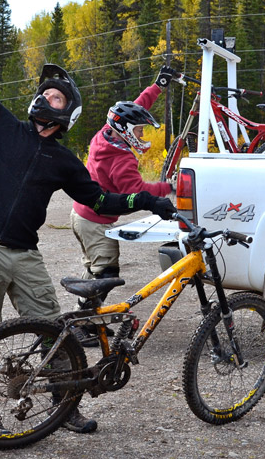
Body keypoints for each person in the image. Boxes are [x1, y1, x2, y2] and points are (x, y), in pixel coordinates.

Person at [0, 0, 175, 436]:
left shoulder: (64, 160)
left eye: (55, 94)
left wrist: (148, 201)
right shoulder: (1, 125)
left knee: (58, 335)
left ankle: (63, 408)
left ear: (66, 111)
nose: (45, 96)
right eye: (44, 92)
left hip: (24, 255)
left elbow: (103, 200)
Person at [69, 67, 177, 346]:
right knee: (106, 273)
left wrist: (158, 86)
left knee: (94, 269)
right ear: (126, 131)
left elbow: (135, 108)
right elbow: (138, 192)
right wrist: (170, 187)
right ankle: (82, 327)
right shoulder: (121, 159)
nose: (141, 134)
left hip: (81, 215)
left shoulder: (108, 132)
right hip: (94, 219)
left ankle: (81, 319)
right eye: (138, 130)